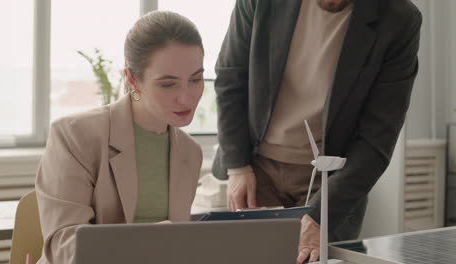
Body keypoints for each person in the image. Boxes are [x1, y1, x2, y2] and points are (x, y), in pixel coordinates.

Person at [212, 0, 422, 263]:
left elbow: (377, 138)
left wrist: (322, 215)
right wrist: (237, 166)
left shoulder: (399, 19)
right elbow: (230, 77)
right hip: (255, 169)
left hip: (331, 181)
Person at [35, 11, 205, 263]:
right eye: (168, 84)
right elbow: (65, 248)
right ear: (132, 80)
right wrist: (142, 243)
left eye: (196, 79)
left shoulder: (190, 152)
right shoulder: (74, 136)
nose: (187, 97)